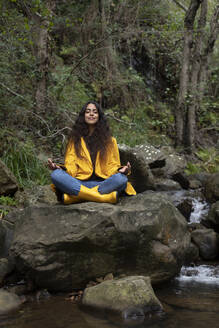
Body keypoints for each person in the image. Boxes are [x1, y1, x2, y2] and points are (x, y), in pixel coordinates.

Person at [48, 101, 136, 204]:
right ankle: (101, 198)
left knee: (121, 179)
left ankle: (76, 197)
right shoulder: (74, 140)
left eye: (95, 112)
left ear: (99, 116)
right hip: (79, 182)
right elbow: (71, 166)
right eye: (88, 111)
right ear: (83, 116)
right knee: (56, 175)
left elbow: (113, 165)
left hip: (103, 184)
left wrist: (122, 170)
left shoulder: (110, 141)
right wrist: (60, 169)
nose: (91, 114)